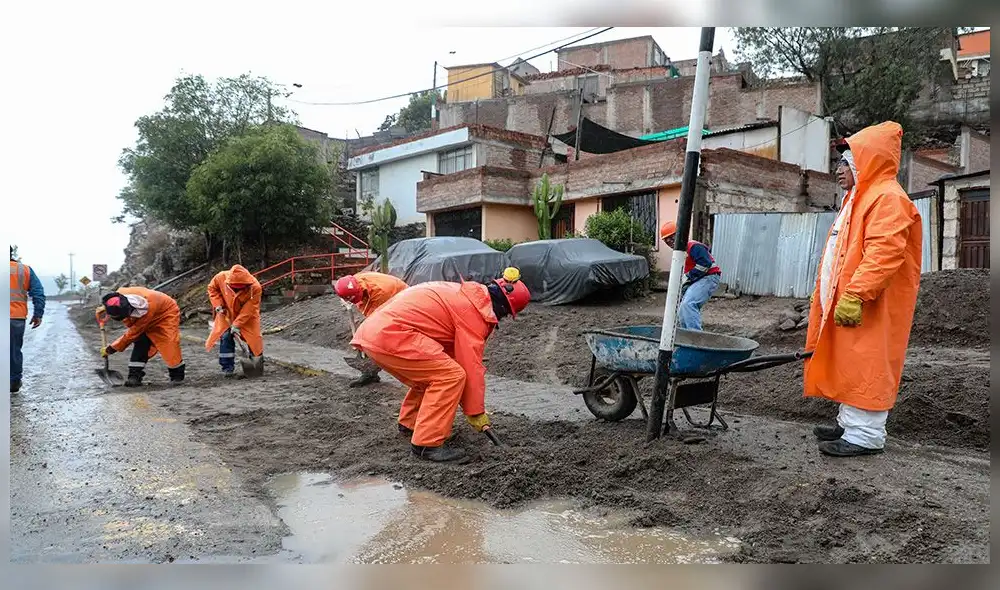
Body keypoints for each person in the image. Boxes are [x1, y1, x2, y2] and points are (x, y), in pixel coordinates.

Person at [804, 121, 922, 458]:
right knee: (851, 361)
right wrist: (827, 293)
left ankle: (866, 435)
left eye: (846, 162)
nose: (838, 170)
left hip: (869, 302)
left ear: (866, 161)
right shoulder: (860, 199)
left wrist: (856, 294)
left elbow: (883, 253)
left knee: (867, 363)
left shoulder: (887, 198)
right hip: (852, 300)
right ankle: (850, 424)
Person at [350, 268, 531, 463]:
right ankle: (427, 445)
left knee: (435, 371)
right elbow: (470, 366)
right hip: (391, 335)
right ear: (504, 307)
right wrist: (475, 411)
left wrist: (471, 406)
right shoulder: (473, 313)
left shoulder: (464, 295)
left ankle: (411, 423)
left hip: (377, 333)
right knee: (450, 377)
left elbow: (454, 354)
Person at [333, 271, 409, 387]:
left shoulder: (380, 292)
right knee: (366, 336)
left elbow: (374, 318)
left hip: (403, 303)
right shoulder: (355, 282)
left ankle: (411, 370)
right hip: (388, 299)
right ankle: (369, 373)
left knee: (380, 336)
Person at [100, 287, 185, 386]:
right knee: (141, 342)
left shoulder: (146, 308)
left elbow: (133, 333)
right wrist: (104, 308)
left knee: (169, 343)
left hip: (165, 313)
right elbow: (113, 303)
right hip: (148, 312)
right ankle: (134, 376)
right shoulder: (119, 296)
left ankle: (177, 376)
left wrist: (112, 348)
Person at [659, 221, 722, 330]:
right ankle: (687, 335)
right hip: (698, 280)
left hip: (709, 277)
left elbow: (705, 264)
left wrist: (689, 277)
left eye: (671, 238)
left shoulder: (693, 246)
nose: (670, 242)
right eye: (667, 240)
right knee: (682, 309)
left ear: (680, 235)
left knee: (688, 304)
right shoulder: (680, 253)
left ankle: (695, 336)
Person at [205, 264, 264, 377]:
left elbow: (249, 309)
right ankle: (227, 368)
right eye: (235, 288)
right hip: (226, 313)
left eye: (240, 288)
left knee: (254, 339)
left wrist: (237, 325)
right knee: (225, 336)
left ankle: (256, 367)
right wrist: (218, 304)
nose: (237, 290)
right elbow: (212, 289)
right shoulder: (221, 277)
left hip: (248, 317)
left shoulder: (255, 287)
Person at [10, 247, 46, 393]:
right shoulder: (24, 270)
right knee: (13, 350)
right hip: (16, 317)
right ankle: (14, 381)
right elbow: (38, 292)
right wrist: (38, 314)